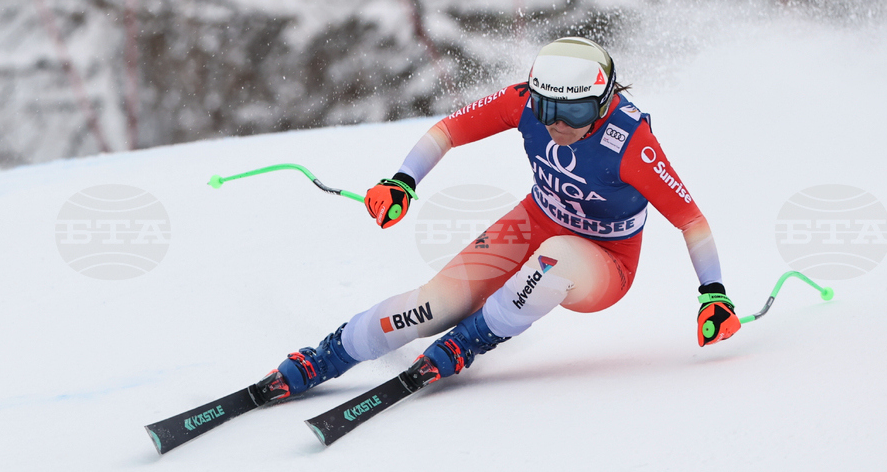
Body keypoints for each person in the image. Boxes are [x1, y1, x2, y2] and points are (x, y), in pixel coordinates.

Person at [251, 36, 741, 403]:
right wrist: (403, 181)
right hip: (533, 221)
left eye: (573, 111)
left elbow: (691, 220)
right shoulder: (523, 102)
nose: (556, 123)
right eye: (547, 106)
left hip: (606, 261)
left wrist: (713, 294)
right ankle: (324, 358)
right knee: (433, 305)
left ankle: (470, 342)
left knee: (556, 260)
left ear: (604, 101)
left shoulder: (630, 142)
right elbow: (449, 130)